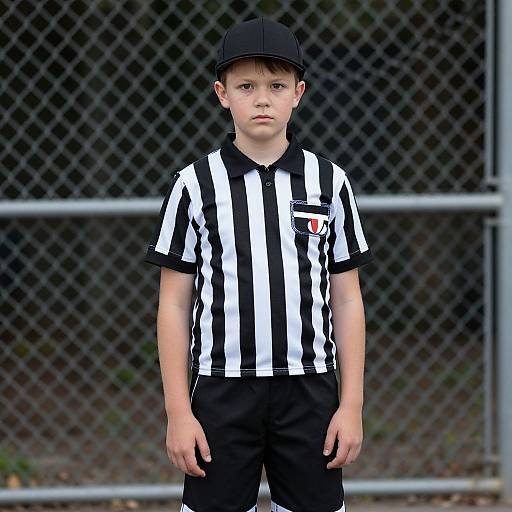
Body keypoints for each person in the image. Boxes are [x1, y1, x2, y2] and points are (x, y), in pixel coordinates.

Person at [144, 16, 374, 512]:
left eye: (276, 85)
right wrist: (179, 412)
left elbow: (348, 297)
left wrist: (350, 404)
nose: (263, 98)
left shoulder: (329, 182)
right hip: (222, 388)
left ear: (299, 92)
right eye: (246, 85)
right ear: (222, 94)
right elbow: (173, 304)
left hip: (309, 386)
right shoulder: (193, 185)